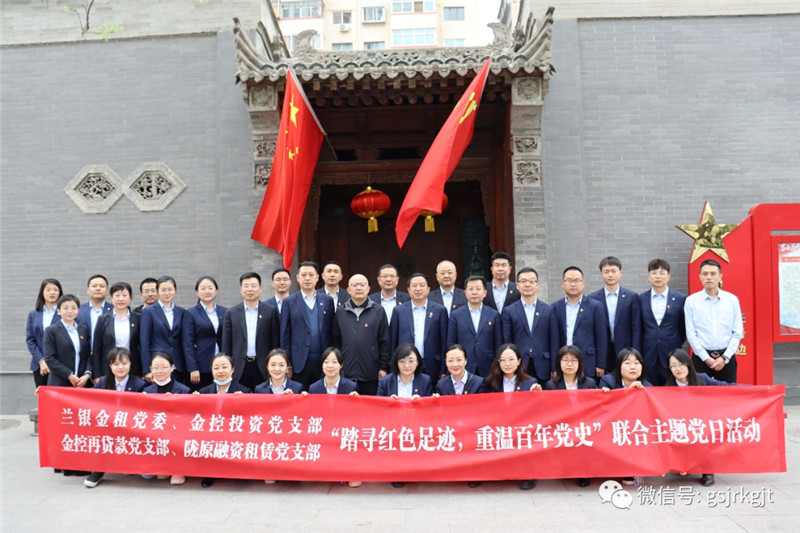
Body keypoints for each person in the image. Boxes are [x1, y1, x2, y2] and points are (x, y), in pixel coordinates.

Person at [665, 348, 735, 487]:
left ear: (688, 364)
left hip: (702, 422)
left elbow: (725, 387)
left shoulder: (701, 378)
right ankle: (683, 464)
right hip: (682, 425)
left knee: (706, 432)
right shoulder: (668, 387)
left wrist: (758, 391)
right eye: (673, 366)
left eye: (681, 364)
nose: (678, 369)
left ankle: (707, 470)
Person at [84, 347, 146, 488]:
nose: (120, 367)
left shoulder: (139, 384)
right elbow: (85, 396)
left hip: (131, 425)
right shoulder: (103, 382)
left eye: (124, 363)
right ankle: (98, 470)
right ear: (110, 366)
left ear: (130, 364)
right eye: (116, 364)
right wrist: (50, 394)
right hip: (109, 424)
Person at [482, 344, 541, 490]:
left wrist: (537, 395)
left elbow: (536, 411)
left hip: (521, 426)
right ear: (498, 362)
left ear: (519, 361)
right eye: (503, 360)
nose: (507, 364)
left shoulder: (530, 382)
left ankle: (528, 475)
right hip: (499, 426)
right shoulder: (491, 382)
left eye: (511, 359)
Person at [377, 343, 433, 489]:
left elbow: (430, 409)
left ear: (418, 362)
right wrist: (388, 403)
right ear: (396, 363)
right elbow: (377, 407)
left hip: (417, 424)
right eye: (402, 361)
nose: (407, 366)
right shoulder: (386, 381)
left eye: (411, 361)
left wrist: (422, 402)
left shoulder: (425, 380)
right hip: (393, 426)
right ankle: (397, 473)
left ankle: (415, 469)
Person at [194, 352, 250, 488]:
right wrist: (193, 402)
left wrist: (244, 402)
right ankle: (210, 472)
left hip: (234, 433)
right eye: (216, 368)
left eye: (224, 367)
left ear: (232, 369)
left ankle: (237, 470)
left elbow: (250, 418)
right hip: (211, 433)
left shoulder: (244, 391)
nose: (220, 371)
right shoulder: (203, 392)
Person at [544, 345, 597, 488]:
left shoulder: (589, 383)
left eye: (573, 361)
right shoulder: (552, 385)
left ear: (580, 363)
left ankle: (584, 472)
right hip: (562, 425)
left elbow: (596, 407)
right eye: (565, 360)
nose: (569, 364)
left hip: (583, 424)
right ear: (559, 363)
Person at [684, 259, 743, 383]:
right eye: (705, 274)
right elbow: (691, 333)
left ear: (720, 276)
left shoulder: (731, 300)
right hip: (700, 358)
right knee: (699, 393)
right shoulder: (691, 301)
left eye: (713, 273)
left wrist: (725, 358)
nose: (709, 277)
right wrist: (706, 358)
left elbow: (737, 332)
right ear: (700, 277)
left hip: (726, 358)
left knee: (728, 393)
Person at [332, 274, 391, 396]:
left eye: (362, 285)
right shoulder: (341, 311)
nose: (358, 288)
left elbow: (384, 342)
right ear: (348, 290)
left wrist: (383, 367)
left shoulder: (378, 311)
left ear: (368, 288)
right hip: (346, 373)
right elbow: (335, 341)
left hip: (371, 373)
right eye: (354, 285)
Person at [280, 261, 335, 389]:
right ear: (297, 278)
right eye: (304, 275)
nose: (307, 278)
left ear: (317, 277)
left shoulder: (327, 300)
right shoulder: (289, 302)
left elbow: (332, 330)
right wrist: (287, 363)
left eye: (311, 275)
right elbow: (285, 334)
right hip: (298, 361)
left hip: (323, 361)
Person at [221, 272, 280, 391]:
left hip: (263, 366)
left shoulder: (270, 311)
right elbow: (226, 344)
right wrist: (227, 366)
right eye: (246, 286)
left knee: (263, 399)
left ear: (260, 289)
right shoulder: (231, 313)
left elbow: (275, 342)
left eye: (253, 286)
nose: (250, 289)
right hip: (239, 367)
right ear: (241, 289)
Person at [501, 267, 559, 383]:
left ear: (537, 285)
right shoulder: (509, 311)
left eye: (531, 281)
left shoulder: (548, 310)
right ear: (517, 285)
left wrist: (554, 366)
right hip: (519, 365)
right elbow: (507, 341)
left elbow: (554, 341)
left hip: (544, 365)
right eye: (523, 281)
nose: (527, 285)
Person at [390, 273, 449, 386]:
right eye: (414, 286)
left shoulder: (440, 310)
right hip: (405, 365)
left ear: (428, 289)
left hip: (432, 364)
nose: (418, 289)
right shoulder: (398, 311)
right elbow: (393, 341)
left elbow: (444, 341)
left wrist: (443, 369)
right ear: (408, 290)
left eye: (422, 285)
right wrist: (393, 367)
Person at [142, 352, 191, 485]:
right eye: (156, 368)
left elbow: (188, 418)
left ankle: (178, 469)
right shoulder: (146, 391)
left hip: (177, 433)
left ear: (172, 367)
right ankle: (162, 466)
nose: (160, 371)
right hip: (155, 433)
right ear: (150, 369)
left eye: (164, 367)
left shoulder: (184, 390)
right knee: (146, 475)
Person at [551, 266, 608, 379]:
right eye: (569, 281)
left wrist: (601, 364)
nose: (573, 284)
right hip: (563, 362)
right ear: (563, 283)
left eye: (577, 280)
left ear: (583, 283)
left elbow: (601, 337)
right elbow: (554, 339)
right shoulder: (555, 307)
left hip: (588, 361)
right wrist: (554, 366)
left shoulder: (595, 306)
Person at [588, 256, 642, 372]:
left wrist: (635, 354)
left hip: (625, 349)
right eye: (606, 272)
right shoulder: (592, 298)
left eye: (613, 271)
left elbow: (636, 328)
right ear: (601, 274)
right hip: (603, 351)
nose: (610, 275)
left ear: (620, 273)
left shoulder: (632, 297)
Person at [639, 259, 686, 385]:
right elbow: (639, 328)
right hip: (648, 355)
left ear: (668, 276)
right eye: (654, 273)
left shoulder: (680, 299)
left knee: (671, 391)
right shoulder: (640, 299)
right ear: (649, 276)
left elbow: (683, 328)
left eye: (662, 273)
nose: (658, 276)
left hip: (672, 355)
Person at [446, 276, 502, 377]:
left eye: (478, 289)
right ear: (465, 292)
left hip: (488, 366)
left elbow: (498, 344)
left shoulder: (494, 315)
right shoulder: (455, 315)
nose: (474, 292)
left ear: (485, 293)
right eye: (471, 289)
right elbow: (451, 343)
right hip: (463, 366)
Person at [182, 276, 227, 390]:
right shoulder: (190, 313)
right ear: (197, 292)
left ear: (216, 291)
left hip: (222, 365)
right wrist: (192, 368)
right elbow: (187, 343)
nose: (207, 291)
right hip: (201, 366)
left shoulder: (225, 311)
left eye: (210, 288)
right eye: (203, 288)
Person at [140, 276, 185, 384]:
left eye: (169, 289)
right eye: (163, 290)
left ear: (175, 290)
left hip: (177, 365)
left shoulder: (181, 312)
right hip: (157, 365)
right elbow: (144, 342)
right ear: (158, 292)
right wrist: (147, 369)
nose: (167, 293)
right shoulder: (149, 311)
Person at [92, 281, 141, 380]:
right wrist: (96, 375)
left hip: (133, 368)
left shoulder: (138, 318)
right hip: (108, 368)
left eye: (124, 295)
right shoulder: (103, 319)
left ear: (130, 297)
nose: (121, 299)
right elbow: (97, 349)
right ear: (111, 297)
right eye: (117, 295)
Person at [43, 294, 92, 388]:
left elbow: (88, 356)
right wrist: (69, 375)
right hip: (59, 382)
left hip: (81, 383)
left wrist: (87, 375)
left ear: (78, 310)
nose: (70, 311)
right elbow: (50, 359)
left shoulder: (83, 329)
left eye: (73, 308)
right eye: (65, 308)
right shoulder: (51, 331)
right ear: (58, 311)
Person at [26, 278, 62, 388]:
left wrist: (53, 362)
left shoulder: (64, 313)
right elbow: (30, 340)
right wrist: (41, 361)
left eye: (55, 289)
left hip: (60, 363)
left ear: (60, 292)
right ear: (42, 292)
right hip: (39, 365)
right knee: (42, 395)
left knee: (58, 396)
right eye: (48, 290)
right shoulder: (33, 314)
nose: (52, 293)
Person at [75, 274, 113, 346]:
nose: (98, 288)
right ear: (88, 290)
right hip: (84, 351)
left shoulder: (114, 310)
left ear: (107, 290)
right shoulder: (78, 310)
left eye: (102, 286)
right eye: (94, 286)